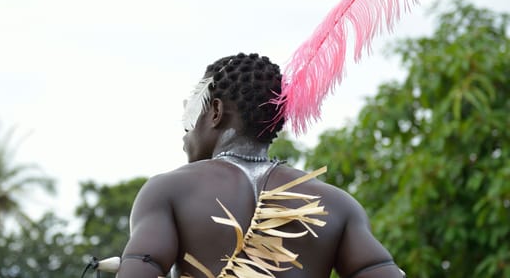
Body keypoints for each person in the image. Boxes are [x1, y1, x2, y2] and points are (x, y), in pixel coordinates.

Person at [115, 53, 405, 278]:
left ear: (215, 111)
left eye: (192, 112)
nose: (186, 128)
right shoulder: (336, 205)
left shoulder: (169, 190)